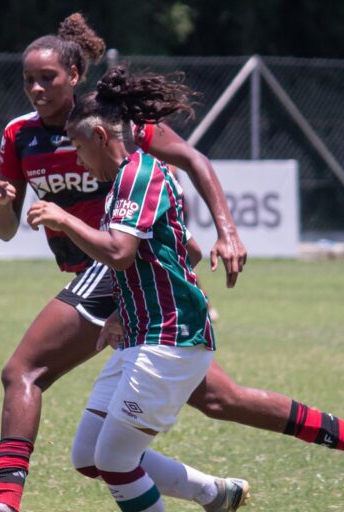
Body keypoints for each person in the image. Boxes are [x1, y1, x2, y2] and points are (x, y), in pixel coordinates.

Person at [0, 14, 344, 512]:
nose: (36, 88)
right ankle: (336, 444)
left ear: (74, 76)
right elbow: (5, 229)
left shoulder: (116, 127)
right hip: (124, 280)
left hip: (115, 267)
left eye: (47, 77)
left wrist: (228, 230)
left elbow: (193, 163)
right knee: (220, 400)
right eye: (28, 79)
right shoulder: (20, 136)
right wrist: (5, 205)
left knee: (23, 371)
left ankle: (3, 503)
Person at [26, 66, 234, 512]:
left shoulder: (139, 176)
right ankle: (215, 494)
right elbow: (180, 251)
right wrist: (123, 309)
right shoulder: (124, 180)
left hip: (170, 338)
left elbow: (119, 253)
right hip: (140, 335)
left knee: (116, 460)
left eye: (79, 148)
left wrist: (64, 218)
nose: (78, 160)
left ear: (100, 135)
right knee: (89, 456)